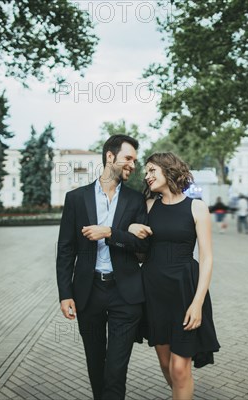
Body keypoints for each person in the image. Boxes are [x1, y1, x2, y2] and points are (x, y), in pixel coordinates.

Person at [56, 135, 151, 400]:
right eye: (128, 158)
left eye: (135, 159)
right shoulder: (76, 198)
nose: (133, 164)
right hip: (89, 292)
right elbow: (66, 249)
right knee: (96, 365)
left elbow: (143, 245)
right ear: (110, 157)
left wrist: (110, 232)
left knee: (116, 370)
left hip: (126, 294)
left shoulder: (135, 200)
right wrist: (65, 294)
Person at [128, 152, 220, 400]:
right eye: (145, 172)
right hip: (154, 293)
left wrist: (198, 303)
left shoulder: (197, 207)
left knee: (180, 369)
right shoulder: (146, 206)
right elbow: (134, 247)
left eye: (151, 171)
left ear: (168, 170)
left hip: (185, 292)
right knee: (167, 365)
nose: (146, 176)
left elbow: (207, 258)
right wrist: (130, 227)